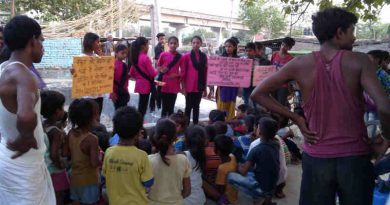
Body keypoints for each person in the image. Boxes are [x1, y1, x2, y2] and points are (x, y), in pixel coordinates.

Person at [251, 8, 390, 205]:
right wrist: (386, 138)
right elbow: (385, 107)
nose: (355, 38)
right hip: (355, 159)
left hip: (316, 159)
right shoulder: (360, 61)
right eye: (352, 31)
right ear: (340, 32)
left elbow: (258, 93)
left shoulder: (300, 63)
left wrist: (296, 118)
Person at [0, 15, 55, 204]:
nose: (43, 47)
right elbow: (25, 116)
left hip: (10, 159)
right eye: (42, 40)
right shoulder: (23, 75)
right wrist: (26, 137)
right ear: (32, 41)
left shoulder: (4, 68)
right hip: (23, 165)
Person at [103, 106, 154, 205]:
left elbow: (105, 175)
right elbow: (148, 182)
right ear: (138, 133)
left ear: (116, 131)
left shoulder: (109, 152)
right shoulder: (141, 156)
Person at [228, 117, 280, 205]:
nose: (255, 128)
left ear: (259, 132)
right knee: (261, 173)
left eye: (257, 127)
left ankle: (258, 197)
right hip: (273, 184)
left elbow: (243, 172)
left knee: (230, 176)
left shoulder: (256, 149)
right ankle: (267, 200)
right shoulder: (276, 144)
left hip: (261, 187)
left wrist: (235, 164)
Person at [148, 119, 191, 205]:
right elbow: (187, 191)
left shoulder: (149, 160)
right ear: (175, 137)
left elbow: (145, 189)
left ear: (155, 136)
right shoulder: (183, 159)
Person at [66, 99, 100, 205]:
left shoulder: (71, 133)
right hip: (89, 180)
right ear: (90, 118)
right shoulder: (92, 139)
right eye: (97, 114)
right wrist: (101, 156)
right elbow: (94, 163)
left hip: (74, 178)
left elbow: (66, 153)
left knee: (76, 201)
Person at [41, 90, 69, 205]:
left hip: (45, 168)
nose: (64, 110)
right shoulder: (57, 132)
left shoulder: (43, 124)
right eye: (62, 108)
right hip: (55, 169)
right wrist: (60, 165)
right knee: (58, 196)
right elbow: (54, 154)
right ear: (57, 112)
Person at [181, 36, 208, 124]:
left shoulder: (204, 57)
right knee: (188, 107)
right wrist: (183, 87)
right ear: (191, 43)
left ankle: (195, 125)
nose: (196, 45)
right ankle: (185, 126)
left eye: (198, 43)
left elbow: (205, 73)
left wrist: (205, 88)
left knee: (197, 107)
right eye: (194, 43)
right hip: (189, 86)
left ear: (201, 44)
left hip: (199, 86)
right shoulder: (186, 56)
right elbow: (183, 73)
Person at [129, 37, 157, 117]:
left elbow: (131, 73)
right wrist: (159, 69)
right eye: (147, 44)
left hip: (139, 84)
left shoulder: (135, 57)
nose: (148, 47)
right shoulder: (145, 58)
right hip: (146, 85)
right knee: (143, 107)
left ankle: (139, 123)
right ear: (143, 46)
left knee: (141, 105)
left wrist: (139, 77)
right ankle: (139, 124)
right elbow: (153, 74)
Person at [156, 36, 182, 117]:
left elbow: (184, 71)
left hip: (174, 84)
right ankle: (163, 126)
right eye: (171, 43)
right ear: (168, 44)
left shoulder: (180, 57)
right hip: (163, 83)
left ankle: (170, 126)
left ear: (178, 44)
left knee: (171, 108)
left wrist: (177, 75)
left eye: (175, 43)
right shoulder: (163, 54)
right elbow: (157, 66)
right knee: (164, 107)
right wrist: (161, 69)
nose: (173, 45)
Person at [81, 32, 104, 116]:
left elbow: (104, 73)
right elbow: (78, 78)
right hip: (87, 96)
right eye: (97, 42)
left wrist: (102, 58)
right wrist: (73, 72)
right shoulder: (81, 58)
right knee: (89, 118)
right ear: (90, 42)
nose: (99, 44)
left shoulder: (98, 57)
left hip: (99, 94)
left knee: (97, 117)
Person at [216, 38, 240, 120]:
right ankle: (219, 120)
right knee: (222, 102)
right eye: (226, 46)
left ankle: (230, 121)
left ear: (235, 47)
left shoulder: (239, 60)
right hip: (223, 86)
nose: (227, 48)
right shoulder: (220, 58)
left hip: (233, 87)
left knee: (231, 103)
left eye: (230, 46)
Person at [183, 125, 207, 205]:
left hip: (187, 200)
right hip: (200, 198)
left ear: (186, 140)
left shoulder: (184, 156)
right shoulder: (201, 155)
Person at [270, 37, 295, 107]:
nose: (283, 47)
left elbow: (291, 75)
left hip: (283, 86)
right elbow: (270, 68)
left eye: (286, 46)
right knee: (271, 103)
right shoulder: (274, 55)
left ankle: (280, 117)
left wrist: (290, 89)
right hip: (272, 83)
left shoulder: (291, 59)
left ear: (290, 48)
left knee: (280, 105)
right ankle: (272, 117)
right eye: (283, 44)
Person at [214, 135, 238, 205]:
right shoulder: (232, 156)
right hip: (234, 194)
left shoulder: (222, 168)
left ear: (218, 151)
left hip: (227, 199)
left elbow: (221, 188)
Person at [111, 44, 130, 110]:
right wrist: (112, 93)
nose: (125, 55)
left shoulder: (124, 65)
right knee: (121, 111)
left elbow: (126, 79)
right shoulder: (112, 65)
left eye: (126, 53)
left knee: (119, 110)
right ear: (116, 53)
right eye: (122, 53)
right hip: (117, 92)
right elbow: (110, 80)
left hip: (122, 91)